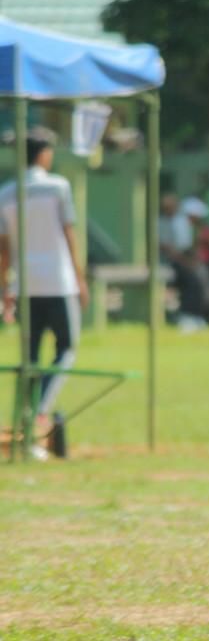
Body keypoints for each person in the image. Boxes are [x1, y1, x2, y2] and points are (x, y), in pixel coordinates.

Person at [0, 126, 90, 437]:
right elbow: (69, 234)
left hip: (25, 284)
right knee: (66, 347)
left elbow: (4, 249)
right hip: (58, 281)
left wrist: (5, 288)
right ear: (43, 154)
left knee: (31, 357)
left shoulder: (6, 193)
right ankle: (40, 412)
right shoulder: (57, 186)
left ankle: (26, 415)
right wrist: (80, 278)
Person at [160, 193, 209, 332]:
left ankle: (196, 316)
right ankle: (186, 316)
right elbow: (168, 249)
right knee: (190, 283)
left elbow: (187, 247)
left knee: (198, 283)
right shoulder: (161, 223)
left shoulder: (181, 223)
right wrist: (186, 262)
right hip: (171, 263)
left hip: (184, 260)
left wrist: (193, 261)